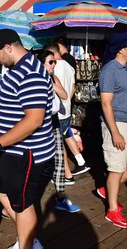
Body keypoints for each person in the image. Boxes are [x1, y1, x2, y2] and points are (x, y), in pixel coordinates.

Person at [0, 29, 55, 249]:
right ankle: (27, 238)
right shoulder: (15, 69)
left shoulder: (31, 72)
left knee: (23, 205)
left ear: (8, 47)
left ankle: (27, 244)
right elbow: (16, 102)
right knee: (0, 189)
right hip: (8, 149)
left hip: (25, 153)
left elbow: (34, 120)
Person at [97, 33, 127, 229]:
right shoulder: (109, 71)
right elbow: (105, 103)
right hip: (117, 124)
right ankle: (112, 210)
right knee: (116, 169)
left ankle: (107, 189)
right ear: (121, 49)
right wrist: (115, 132)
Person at [37, 50, 81, 213]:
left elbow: (64, 95)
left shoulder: (53, 78)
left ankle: (61, 198)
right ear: (41, 63)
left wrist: (52, 84)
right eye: (50, 62)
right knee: (38, 160)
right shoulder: (35, 78)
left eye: (54, 62)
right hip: (40, 122)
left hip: (54, 121)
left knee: (59, 161)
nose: (54, 65)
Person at [44, 43, 90, 183]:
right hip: (66, 108)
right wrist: (67, 102)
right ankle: (80, 161)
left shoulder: (54, 68)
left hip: (58, 110)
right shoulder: (69, 66)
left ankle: (65, 174)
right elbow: (72, 88)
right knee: (66, 136)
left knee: (59, 143)